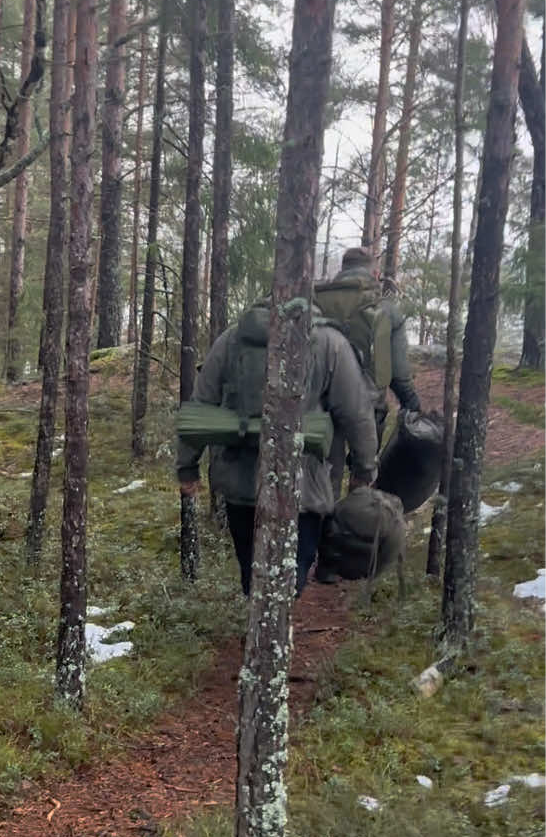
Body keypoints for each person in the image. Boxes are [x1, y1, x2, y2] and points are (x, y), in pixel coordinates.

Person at [177, 300, 378, 597]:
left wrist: (186, 466)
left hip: (240, 483)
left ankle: (260, 624)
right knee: (293, 569)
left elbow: (200, 405)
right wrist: (364, 468)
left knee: (251, 568)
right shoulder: (330, 343)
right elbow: (357, 413)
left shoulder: (232, 339)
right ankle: (275, 631)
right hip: (302, 488)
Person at [317, 245, 421, 492]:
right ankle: (355, 516)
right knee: (363, 472)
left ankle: (321, 520)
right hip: (366, 405)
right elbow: (396, 371)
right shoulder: (385, 309)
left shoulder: (316, 300)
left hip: (317, 402)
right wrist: (411, 402)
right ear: (374, 274)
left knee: (322, 474)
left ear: (343, 270)